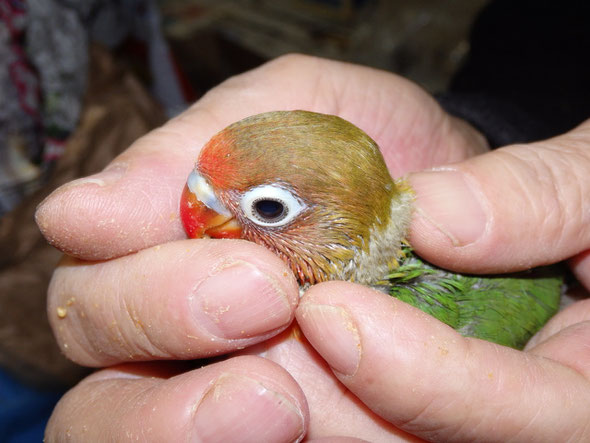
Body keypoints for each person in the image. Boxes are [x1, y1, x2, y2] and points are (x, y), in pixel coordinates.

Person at [37, 2, 590, 441]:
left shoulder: (420, 296)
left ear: (342, 233)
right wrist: (488, 127)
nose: (200, 214)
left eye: (269, 209)